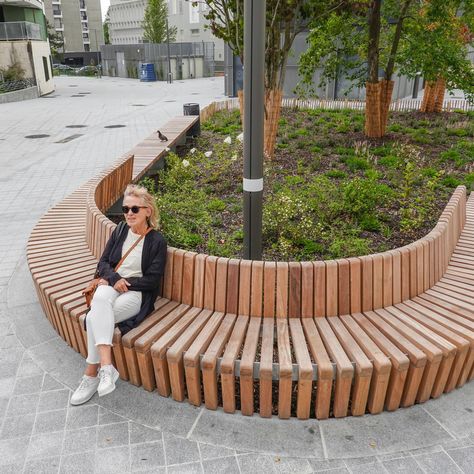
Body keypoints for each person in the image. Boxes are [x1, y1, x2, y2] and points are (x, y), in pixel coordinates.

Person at [70, 184, 167, 405]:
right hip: (111, 285)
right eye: (126, 209)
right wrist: (115, 279)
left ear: (147, 211)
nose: (129, 214)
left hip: (135, 294)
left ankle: (91, 375)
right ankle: (106, 368)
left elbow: (152, 280)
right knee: (101, 300)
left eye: (135, 209)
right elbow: (103, 263)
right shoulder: (121, 230)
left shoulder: (157, 241)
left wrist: (126, 282)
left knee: (95, 316)